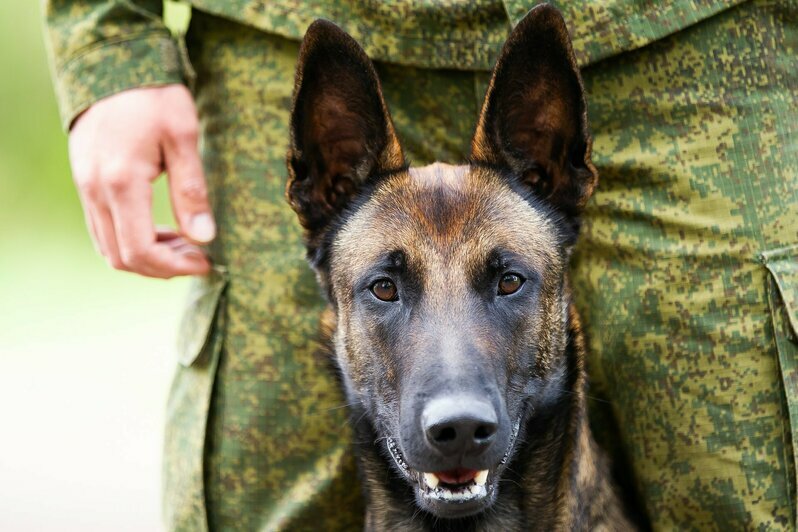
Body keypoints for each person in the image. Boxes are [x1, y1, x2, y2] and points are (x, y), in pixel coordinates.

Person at [44, 1, 797, 530]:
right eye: (383, 287)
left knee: (742, 495)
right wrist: (109, 44)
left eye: (506, 280)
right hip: (284, 25)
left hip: (683, 41)